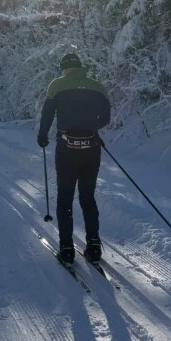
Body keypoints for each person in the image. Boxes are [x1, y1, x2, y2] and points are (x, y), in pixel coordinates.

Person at [37, 53, 110, 266]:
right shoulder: (97, 87)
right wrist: (90, 128)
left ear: (64, 69)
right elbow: (105, 118)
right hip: (92, 149)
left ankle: (67, 248)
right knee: (88, 197)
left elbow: (47, 115)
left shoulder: (56, 85)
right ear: (81, 67)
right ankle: (94, 246)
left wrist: (42, 136)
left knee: (65, 197)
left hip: (66, 150)